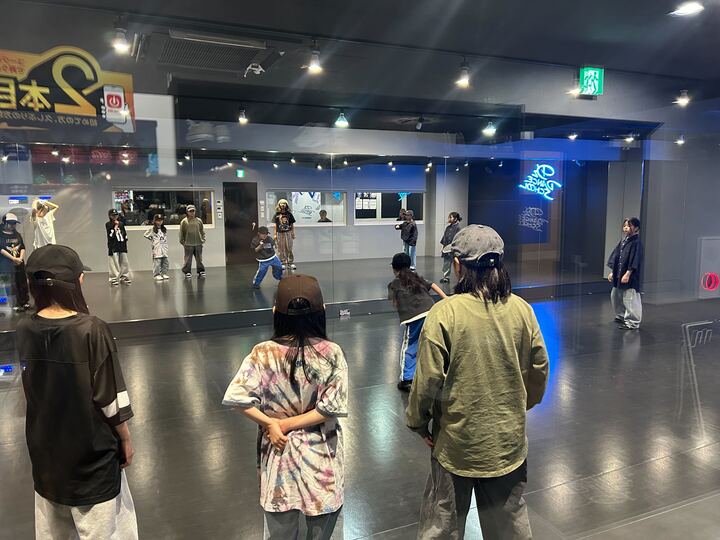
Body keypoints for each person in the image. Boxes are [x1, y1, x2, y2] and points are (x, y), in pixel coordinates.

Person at [406, 225, 549, 540]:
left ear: (458, 265)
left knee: (443, 527)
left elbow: (427, 380)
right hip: (507, 445)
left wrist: (418, 422)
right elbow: (539, 368)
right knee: (509, 527)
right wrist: (517, 405)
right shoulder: (522, 310)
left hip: (456, 446)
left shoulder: (444, 314)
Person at [16, 244, 138, 540]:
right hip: (91, 459)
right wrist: (125, 438)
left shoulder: (25, 328)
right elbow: (110, 398)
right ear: (75, 282)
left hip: (45, 455)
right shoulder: (92, 329)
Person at [222, 275, 348, 539]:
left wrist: (272, 423)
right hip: (321, 461)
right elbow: (330, 407)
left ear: (275, 313)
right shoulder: (331, 352)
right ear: (322, 311)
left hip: (279, 458)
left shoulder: (262, 352)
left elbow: (236, 397)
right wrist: (283, 424)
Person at [388, 252, 446, 391]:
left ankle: (406, 379)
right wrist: (446, 299)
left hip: (414, 317)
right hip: (431, 312)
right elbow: (432, 285)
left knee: (410, 346)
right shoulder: (416, 278)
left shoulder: (394, 284)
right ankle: (439, 374)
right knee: (431, 342)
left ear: (394, 269)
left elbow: (395, 302)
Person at [607, 217, 644, 330]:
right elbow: (616, 257)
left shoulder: (636, 243)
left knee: (630, 299)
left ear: (636, 228)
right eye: (625, 226)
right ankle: (621, 315)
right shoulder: (624, 242)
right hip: (619, 274)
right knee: (616, 296)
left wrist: (628, 273)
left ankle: (633, 322)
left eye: (629, 226)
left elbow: (635, 260)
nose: (626, 228)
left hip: (630, 277)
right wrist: (612, 272)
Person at [0, 212, 30, 311]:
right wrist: (13, 259)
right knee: (9, 284)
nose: (13, 225)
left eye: (14, 223)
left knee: (22, 282)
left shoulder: (17, 234)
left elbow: (22, 247)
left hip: (19, 263)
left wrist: (20, 258)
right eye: (11, 223)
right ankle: (13, 304)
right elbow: (1, 249)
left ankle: (24, 302)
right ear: (4, 222)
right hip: (5, 265)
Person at [180, 204, 206, 279]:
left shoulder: (199, 221)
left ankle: (201, 271)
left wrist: (203, 239)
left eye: (193, 211)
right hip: (188, 243)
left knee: (199, 259)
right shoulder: (184, 221)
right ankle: (187, 271)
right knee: (188, 259)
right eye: (190, 211)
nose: (192, 213)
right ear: (187, 212)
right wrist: (182, 241)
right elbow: (181, 232)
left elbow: (202, 231)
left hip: (198, 243)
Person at [106, 209, 131, 286]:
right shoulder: (108, 224)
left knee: (124, 262)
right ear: (110, 216)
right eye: (113, 215)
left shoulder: (121, 224)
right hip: (113, 246)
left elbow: (124, 234)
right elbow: (110, 236)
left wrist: (125, 243)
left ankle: (124, 276)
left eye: (116, 215)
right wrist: (115, 226)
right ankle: (113, 278)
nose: (114, 217)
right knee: (113, 263)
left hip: (121, 245)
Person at [144, 213, 170, 281]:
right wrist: (152, 239)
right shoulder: (152, 229)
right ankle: (157, 274)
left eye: (161, 220)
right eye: (158, 220)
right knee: (157, 262)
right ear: (155, 221)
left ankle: (164, 273)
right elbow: (145, 235)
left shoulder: (164, 229)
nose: (160, 222)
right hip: (157, 248)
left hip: (164, 247)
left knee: (165, 262)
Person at [439, 212, 463, 283]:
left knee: (456, 263)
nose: (449, 219)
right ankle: (446, 277)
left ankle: (460, 277)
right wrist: (443, 247)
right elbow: (444, 237)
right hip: (447, 249)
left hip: (454, 249)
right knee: (446, 263)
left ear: (455, 219)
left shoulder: (458, 228)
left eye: (451, 217)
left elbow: (459, 239)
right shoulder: (448, 227)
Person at [273, 199, 296, 270]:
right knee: (281, 248)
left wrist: (293, 233)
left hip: (288, 233)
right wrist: (275, 234)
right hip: (280, 233)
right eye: (281, 203)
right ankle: (282, 263)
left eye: (284, 203)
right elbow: (275, 225)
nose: (283, 205)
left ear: (286, 205)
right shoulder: (277, 214)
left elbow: (292, 224)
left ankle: (290, 262)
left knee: (289, 247)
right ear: (279, 205)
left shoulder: (289, 214)